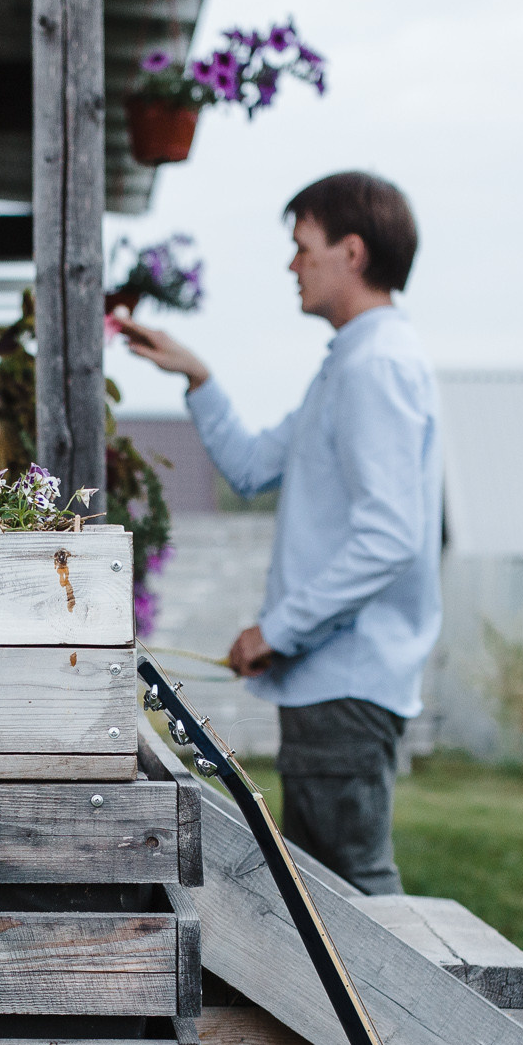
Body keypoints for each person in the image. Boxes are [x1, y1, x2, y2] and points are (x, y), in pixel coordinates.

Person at [120, 172, 442, 895]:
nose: (292, 264)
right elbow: (251, 465)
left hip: (346, 679)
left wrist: (278, 630)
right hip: (333, 681)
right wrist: (197, 375)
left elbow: (391, 537)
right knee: (327, 894)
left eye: (303, 247)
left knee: (351, 897)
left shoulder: (376, 365)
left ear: (352, 252)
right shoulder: (351, 363)